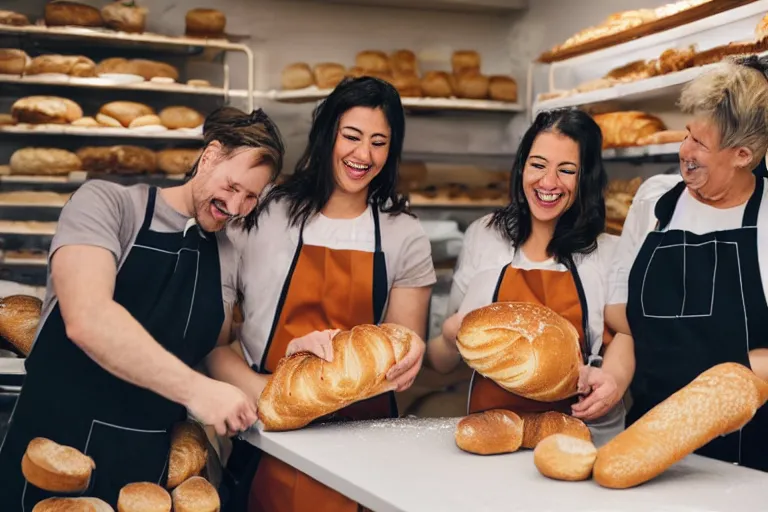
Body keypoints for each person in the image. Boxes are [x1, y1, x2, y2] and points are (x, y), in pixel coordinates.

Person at [0, 106, 286, 508]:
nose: (237, 207)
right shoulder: (107, 205)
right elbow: (88, 317)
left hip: (146, 479)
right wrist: (197, 391)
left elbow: (213, 349)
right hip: (55, 459)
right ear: (209, 157)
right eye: (232, 186)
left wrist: (281, 386)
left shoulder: (226, 253)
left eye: (251, 197)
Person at [206, 76, 436, 512]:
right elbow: (213, 346)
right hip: (268, 437)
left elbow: (403, 349)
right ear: (327, 133)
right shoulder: (262, 213)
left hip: (367, 450)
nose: (363, 155)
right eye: (351, 136)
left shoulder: (403, 234)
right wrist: (270, 395)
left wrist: (411, 354)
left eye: (379, 142)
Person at [426, 108, 632, 447]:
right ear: (522, 166)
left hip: (580, 441)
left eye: (566, 170)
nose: (548, 183)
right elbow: (442, 360)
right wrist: (449, 340)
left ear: (586, 179)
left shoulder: (608, 251)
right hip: (492, 438)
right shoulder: (484, 235)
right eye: (538, 165)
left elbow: (624, 332)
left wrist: (615, 380)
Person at [606, 54, 768, 471]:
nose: (684, 151)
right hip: (646, 442)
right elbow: (619, 314)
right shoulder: (655, 200)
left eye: (701, 143)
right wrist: (612, 379)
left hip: (745, 458)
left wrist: (711, 370)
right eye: (687, 134)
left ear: (743, 155)